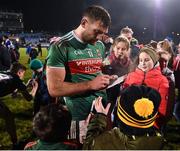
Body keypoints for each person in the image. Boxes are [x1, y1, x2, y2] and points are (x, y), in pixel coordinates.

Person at [46, 5, 115, 143]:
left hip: (102, 112)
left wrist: (105, 79)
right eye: (97, 31)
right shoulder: (61, 46)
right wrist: (90, 85)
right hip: (77, 116)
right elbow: (54, 89)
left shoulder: (99, 46)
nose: (99, 37)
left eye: (103, 33)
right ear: (84, 23)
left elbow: (94, 71)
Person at [83, 85, 164, 150]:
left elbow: (88, 146)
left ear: (119, 116)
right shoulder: (158, 140)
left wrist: (99, 119)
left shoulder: (104, 143)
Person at [123, 47, 169, 131]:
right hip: (129, 121)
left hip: (149, 123)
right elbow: (123, 98)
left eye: (146, 60)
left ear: (154, 61)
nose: (143, 63)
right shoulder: (131, 76)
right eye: (140, 60)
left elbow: (162, 106)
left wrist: (155, 125)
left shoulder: (162, 80)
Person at [0, 62, 38, 149]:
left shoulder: (5, 73)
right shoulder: (16, 79)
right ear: (19, 72)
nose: (23, 77)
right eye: (23, 74)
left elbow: (9, 85)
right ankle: (15, 144)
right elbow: (29, 98)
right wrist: (35, 88)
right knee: (8, 117)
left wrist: (24, 86)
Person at [102, 36, 132, 112]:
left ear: (127, 50)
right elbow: (101, 76)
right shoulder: (107, 61)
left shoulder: (129, 63)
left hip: (123, 94)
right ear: (114, 48)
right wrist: (109, 77)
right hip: (108, 94)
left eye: (123, 49)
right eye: (118, 48)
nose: (120, 51)